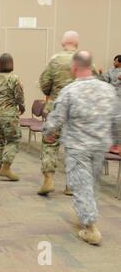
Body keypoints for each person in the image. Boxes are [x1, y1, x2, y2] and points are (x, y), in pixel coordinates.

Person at [43, 50, 121, 245]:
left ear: (74, 68)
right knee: (91, 183)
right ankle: (85, 213)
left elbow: (57, 117)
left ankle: (90, 227)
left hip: (78, 146)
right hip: (100, 145)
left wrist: (48, 132)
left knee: (81, 185)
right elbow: (117, 118)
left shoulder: (70, 91)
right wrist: (117, 140)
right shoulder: (107, 89)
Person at [38, 30, 80, 196]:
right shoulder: (84, 59)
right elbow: (95, 82)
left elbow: (45, 83)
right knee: (75, 147)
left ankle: (48, 179)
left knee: (50, 144)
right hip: (77, 111)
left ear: (63, 43)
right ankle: (71, 185)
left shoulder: (55, 60)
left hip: (56, 108)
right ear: (77, 43)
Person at [0, 53, 25, 181]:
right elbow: (19, 96)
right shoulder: (14, 78)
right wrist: (22, 107)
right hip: (8, 114)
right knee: (13, 139)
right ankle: (6, 167)